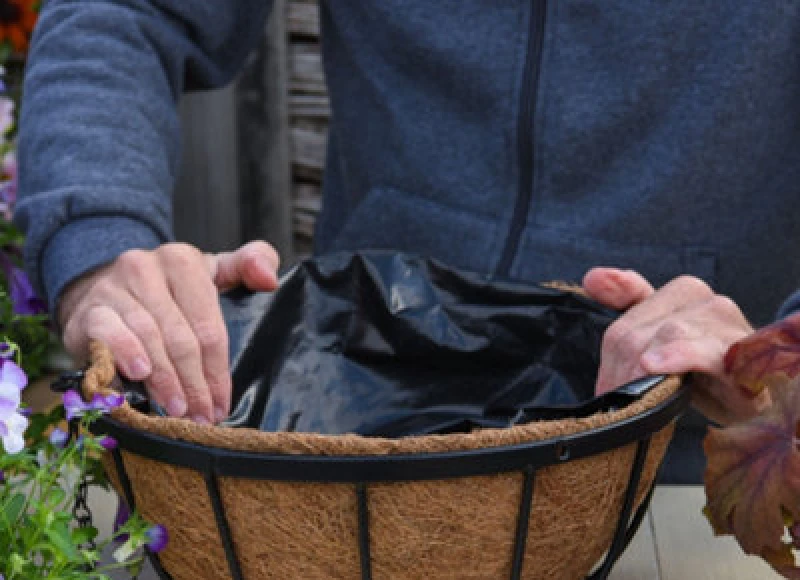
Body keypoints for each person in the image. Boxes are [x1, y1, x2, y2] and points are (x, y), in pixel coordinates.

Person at [15, 1, 800, 484]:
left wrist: (784, 363)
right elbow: (121, 13)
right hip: (346, 468)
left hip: (698, 480)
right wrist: (98, 252)